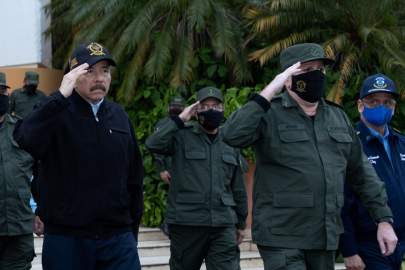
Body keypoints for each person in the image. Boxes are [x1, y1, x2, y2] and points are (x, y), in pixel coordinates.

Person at [222, 43, 398, 270]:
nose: (316, 75)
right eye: (306, 70)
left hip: (324, 237)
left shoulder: (337, 117)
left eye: (320, 69)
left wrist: (383, 220)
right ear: (287, 78)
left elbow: (362, 174)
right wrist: (271, 89)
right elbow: (231, 135)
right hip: (282, 237)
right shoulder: (268, 113)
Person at [13, 42, 144, 270]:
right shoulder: (56, 112)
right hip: (67, 240)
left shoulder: (119, 116)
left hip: (117, 239)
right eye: (89, 71)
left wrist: (131, 235)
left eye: (105, 71)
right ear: (73, 76)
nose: (99, 78)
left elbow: (134, 178)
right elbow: (25, 137)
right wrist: (60, 96)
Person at [146, 87, 248, 270]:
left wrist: (240, 223)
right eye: (205, 106)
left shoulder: (229, 141)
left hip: (223, 223)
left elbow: (237, 186)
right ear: (196, 111)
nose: (211, 110)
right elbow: (153, 143)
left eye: (215, 106)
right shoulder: (181, 135)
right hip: (187, 223)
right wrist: (181, 118)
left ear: (223, 109)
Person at [340, 74, 405, 270]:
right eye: (374, 102)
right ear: (361, 105)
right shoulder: (350, 145)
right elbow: (341, 201)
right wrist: (349, 250)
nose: (381, 107)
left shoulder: (401, 143)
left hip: (401, 242)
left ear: (393, 107)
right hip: (369, 244)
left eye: (387, 102)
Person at [0, 73, 35, 269]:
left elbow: (40, 172)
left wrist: (41, 212)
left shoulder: (22, 129)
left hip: (19, 227)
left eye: (2, 90)